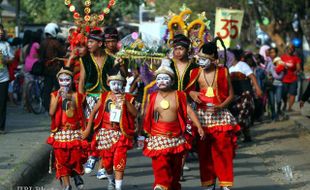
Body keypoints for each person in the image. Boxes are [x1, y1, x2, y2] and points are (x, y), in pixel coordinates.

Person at [143, 59, 205, 190]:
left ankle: (171, 186)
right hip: (159, 137)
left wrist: (199, 126)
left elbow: (188, 110)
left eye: (165, 79)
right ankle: (161, 186)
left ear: (171, 81)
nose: (162, 82)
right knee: (161, 167)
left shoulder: (179, 95)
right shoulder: (152, 97)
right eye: (159, 79)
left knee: (175, 171)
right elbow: (147, 115)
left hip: (176, 137)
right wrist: (142, 132)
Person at [189, 40, 240, 190]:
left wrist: (220, 107)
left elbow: (231, 95)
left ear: (214, 60)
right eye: (199, 59)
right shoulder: (195, 72)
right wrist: (191, 92)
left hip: (221, 116)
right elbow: (185, 91)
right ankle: (208, 184)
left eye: (204, 60)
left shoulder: (223, 72)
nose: (201, 62)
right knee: (204, 153)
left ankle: (225, 184)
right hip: (202, 117)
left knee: (224, 152)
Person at [82, 70, 138, 190]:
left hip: (120, 134)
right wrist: (88, 128)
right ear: (108, 83)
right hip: (105, 132)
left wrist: (126, 102)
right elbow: (93, 113)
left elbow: (135, 113)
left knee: (119, 160)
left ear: (123, 85)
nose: (116, 87)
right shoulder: (104, 96)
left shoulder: (128, 98)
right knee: (107, 164)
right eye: (114, 83)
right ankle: (111, 180)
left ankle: (118, 187)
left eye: (119, 84)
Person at [79, 29, 121, 178]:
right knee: (92, 130)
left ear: (100, 43)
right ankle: (92, 155)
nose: (88, 44)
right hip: (90, 97)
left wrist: (119, 65)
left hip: (107, 98)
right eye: (88, 42)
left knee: (105, 130)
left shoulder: (111, 58)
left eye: (91, 42)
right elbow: (82, 80)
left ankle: (102, 166)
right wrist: (80, 98)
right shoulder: (85, 59)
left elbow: (120, 76)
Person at [47, 68, 87, 190]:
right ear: (58, 81)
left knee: (75, 157)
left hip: (74, 131)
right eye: (61, 80)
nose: (64, 83)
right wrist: (59, 97)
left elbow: (77, 108)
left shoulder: (76, 95)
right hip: (60, 132)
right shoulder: (54, 94)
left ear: (72, 81)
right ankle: (67, 185)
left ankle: (75, 174)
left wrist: (69, 97)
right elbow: (51, 112)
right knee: (61, 159)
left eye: (67, 79)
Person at [229, 49, 263, 142]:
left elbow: (252, 76)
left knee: (243, 114)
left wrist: (258, 88)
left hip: (246, 93)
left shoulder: (242, 65)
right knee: (237, 114)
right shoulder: (228, 67)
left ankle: (239, 135)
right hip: (235, 95)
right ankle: (246, 134)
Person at [40, 23, 67, 112]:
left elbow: (41, 56)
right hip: (56, 69)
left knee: (47, 89)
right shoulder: (56, 42)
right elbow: (63, 52)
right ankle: (59, 106)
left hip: (46, 69)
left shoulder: (43, 42)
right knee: (59, 88)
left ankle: (47, 106)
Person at [0, 23, 14, 134]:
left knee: (2, 103)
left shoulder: (6, 45)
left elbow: (11, 58)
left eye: (1, 30)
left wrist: (5, 60)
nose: (1, 32)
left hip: (3, 78)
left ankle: (1, 127)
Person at [280, 44, 301, 111]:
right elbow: (279, 66)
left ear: (294, 50)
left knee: (292, 93)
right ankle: (285, 103)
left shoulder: (296, 58)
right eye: (289, 48)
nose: (290, 49)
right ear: (286, 49)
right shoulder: (282, 57)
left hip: (293, 79)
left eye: (292, 48)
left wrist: (297, 70)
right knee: (283, 94)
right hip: (284, 79)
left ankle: (290, 107)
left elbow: (298, 67)